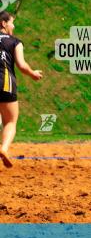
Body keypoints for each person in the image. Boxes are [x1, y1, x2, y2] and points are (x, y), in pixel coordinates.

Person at [0, 11, 43, 167]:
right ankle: (4, 148)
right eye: (11, 22)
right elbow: (22, 65)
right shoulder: (15, 42)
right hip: (5, 85)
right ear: (3, 24)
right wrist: (33, 74)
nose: (13, 25)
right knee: (10, 121)